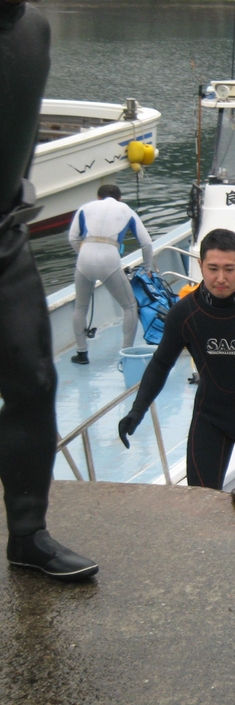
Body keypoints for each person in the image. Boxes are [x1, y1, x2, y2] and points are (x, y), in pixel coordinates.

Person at [0, 0, 98, 581]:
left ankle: (28, 535)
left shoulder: (35, 30)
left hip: (5, 240)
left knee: (35, 381)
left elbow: (25, 126)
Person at [118, 228, 235, 489]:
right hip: (210, 418)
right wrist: (137, 410)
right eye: (213, 268)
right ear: (201, 265)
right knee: (200, 504)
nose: (220, 278)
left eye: (229, 269)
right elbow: (160, 364)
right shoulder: (185, 313)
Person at [68, 184, 153, 365]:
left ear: (98, 197)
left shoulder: (85, 207)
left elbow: (73, 237)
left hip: (84, 258)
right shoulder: (126, 210)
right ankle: (126, 356)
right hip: (110, 259)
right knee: (130, 306)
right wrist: (147, 268)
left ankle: (82, 353)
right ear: (119, 198)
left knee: (81, 307)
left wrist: (84, 255)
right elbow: (146, 244)